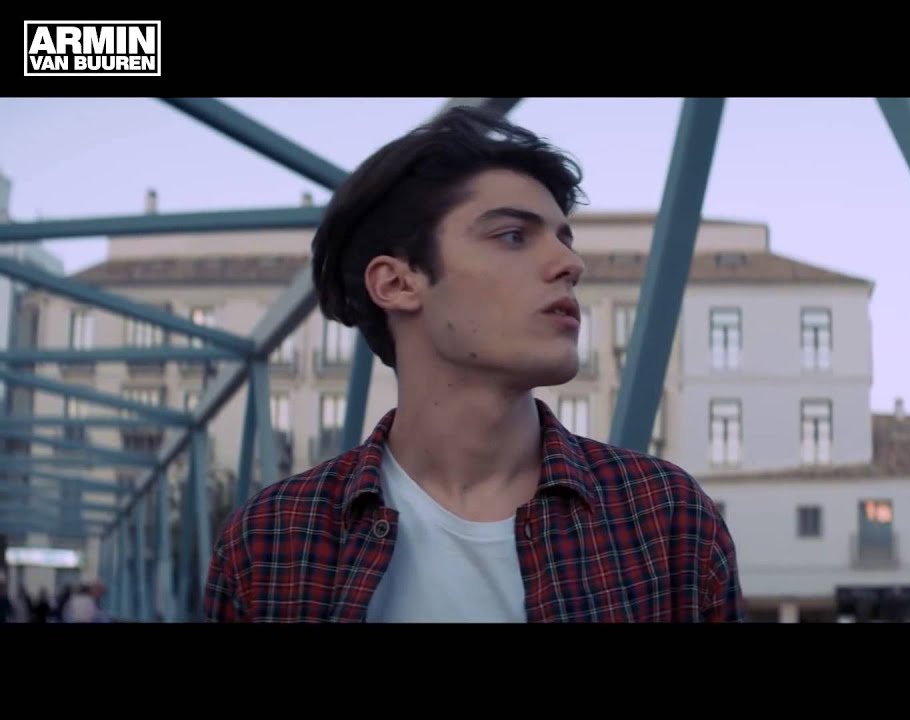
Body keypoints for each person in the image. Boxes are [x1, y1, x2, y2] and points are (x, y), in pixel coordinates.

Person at [204, 105, 744, 623]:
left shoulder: (665, 519)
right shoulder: (271, 541)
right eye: (513, 236)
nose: (571, 264)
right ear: (397, 283)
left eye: (564, 239)